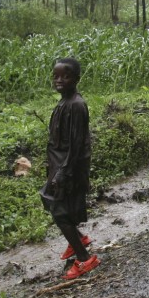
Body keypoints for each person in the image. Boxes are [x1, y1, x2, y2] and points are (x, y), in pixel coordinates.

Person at [41, 57, 100, 280]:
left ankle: (85, 259)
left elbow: (77, 144)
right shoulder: (64, 102)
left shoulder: (76, 105)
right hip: (59, 164)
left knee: (60, 212)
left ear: (76, 79)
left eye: (65, 76)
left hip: (69, 167)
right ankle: (78, 240)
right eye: (56, 76)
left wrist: (64, 171)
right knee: (49, 200)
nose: (59, 80)